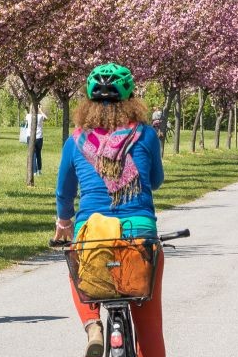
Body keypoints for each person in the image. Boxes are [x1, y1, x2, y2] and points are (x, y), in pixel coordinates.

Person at [54, 63, 167, 357]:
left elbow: (64, 193)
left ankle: (93, 325)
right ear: (132, 101)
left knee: (76, 267)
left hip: (93, 235)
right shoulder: (145, 135)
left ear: (87, 103)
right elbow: (154, 181)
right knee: (150, 330)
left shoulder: (75, 141)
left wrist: (64, 220)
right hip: (139, 235)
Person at [26, 108, 49, 176]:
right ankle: (39, 170)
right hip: (39, 137)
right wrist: (41, 110)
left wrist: (31, 109)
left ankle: (34, 171)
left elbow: (26, 120)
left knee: (32, 154)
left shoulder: (28, 116)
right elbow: (46, 118)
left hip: (30, 137)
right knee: (38, 154)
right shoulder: (40, 116)